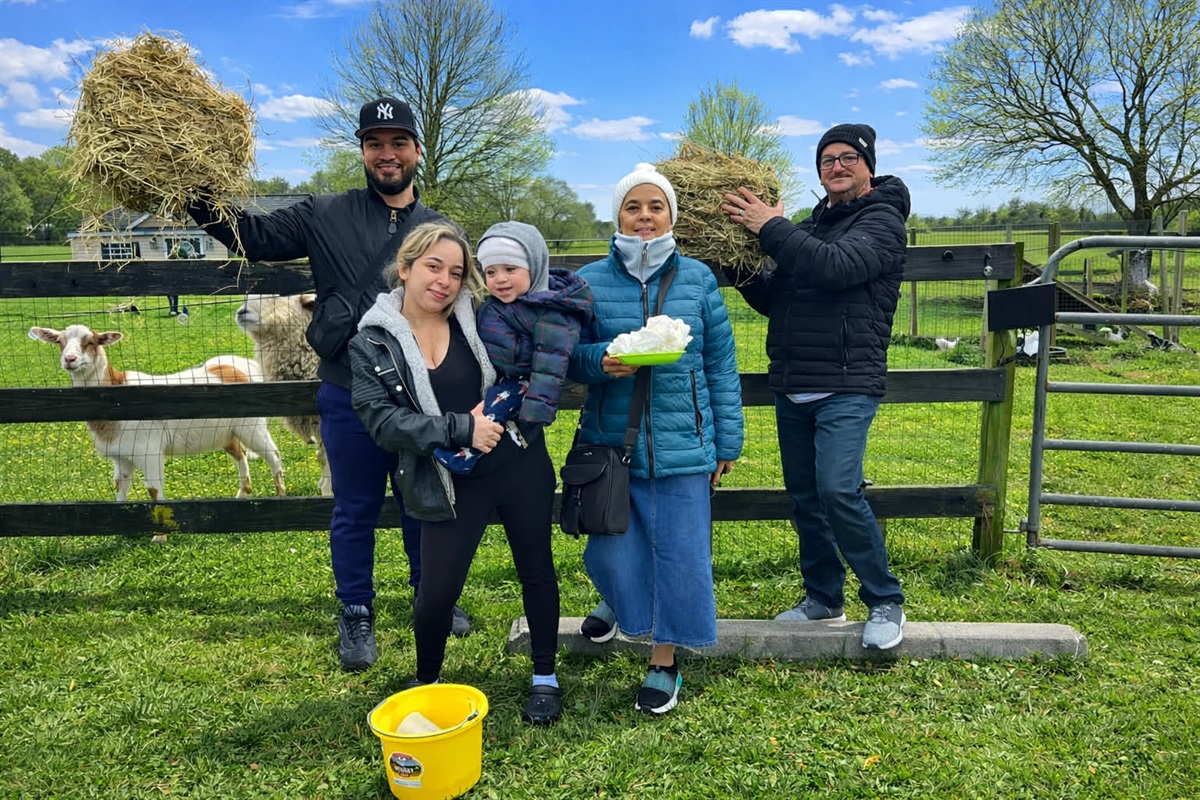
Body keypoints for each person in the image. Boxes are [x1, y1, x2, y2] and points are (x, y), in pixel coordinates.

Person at [187, 97, 470, 673]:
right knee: (355, 505)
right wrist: (192, 186)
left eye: (397, 143)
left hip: (419, 394)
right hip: (347, 387)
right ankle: (356, 612)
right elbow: (253, 237)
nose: (386, 155)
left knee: (424, 500)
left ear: (418, 151)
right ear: (362, 152)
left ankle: (431, 595)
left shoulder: (441, 231)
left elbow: (465, 307)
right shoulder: (324, 213)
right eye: (374, 144)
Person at [349, 223, 565, 726]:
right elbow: (382, 422)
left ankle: (545, 678)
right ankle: (427, 683)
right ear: (404, 269)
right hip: (448, 479)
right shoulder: (372, 343)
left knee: (535, 568)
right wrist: (461, 428)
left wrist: (597, 358)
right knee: (438, 593)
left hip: (518, 463)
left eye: (456, 272)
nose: (445, 281)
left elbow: (552, 344)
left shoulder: (485, 319)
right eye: (432, 267)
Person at [720, 122, 909, 650]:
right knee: (805, 496)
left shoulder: (883, 220)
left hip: (847, 380)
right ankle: (824, 596)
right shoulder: (810, 225)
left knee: (837, 489)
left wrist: (769, 227)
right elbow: (777, 297)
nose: (838, 166)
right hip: (795, 381)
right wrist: (735, 261)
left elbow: (835, 268)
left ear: (868, 166)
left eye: (849, 157)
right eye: (827, 159)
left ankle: (885, 599)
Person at [568, 164, 743, 715]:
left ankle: (663, 662)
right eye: (633, 207)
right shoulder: (589, 282)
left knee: (679, 556)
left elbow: (719, 363)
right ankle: (622, 602)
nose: (644, 217)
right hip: (610, 442)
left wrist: (727, 442)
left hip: (683, 443)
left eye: (655, 207)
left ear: (672, 215)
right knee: (613, 548)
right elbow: (568, 357)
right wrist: (602, 360)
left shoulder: (697, 280)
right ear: (617, 215)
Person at [433, 220, 593, 473]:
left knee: (494, 410)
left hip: (525, 384)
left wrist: (536, 410)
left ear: (534, 267)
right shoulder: (499, 304)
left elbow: (551, 362)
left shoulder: (552, 312)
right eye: (491, 272)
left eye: (510, 269)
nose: (500, 279)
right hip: (502, 376)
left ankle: (465, 455)